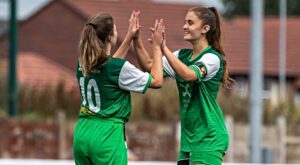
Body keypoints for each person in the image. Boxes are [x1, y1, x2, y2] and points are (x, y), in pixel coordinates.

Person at [133, 6, 232, 165]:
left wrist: (163, 48)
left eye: (190, 23)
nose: (184, 26)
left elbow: (188, 75)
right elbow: (150, 66)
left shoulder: (212, 59)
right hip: (189, 140)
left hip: (209, 138)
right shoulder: (182, 55)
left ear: (205, 29)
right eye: (185, 22)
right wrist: (136, 39)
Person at [73, 11, 165, 165]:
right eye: (115, 30)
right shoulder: (118, 68)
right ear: (110, 37)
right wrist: (156, 46)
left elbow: (110, 65)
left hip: (82, 132)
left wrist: (130, 37)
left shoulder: (82, 64)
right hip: (107, 134)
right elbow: (157, 81)